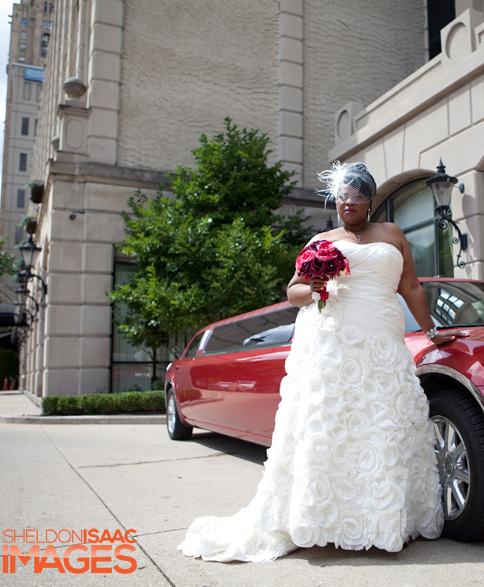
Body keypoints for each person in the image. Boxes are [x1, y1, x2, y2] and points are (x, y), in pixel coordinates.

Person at [178, 162, 465, 563]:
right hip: (333, 343)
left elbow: (412, 287)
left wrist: (432, 331)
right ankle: (326, 520)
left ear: (370, 200)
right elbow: (293, 291)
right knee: (334, 425)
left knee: (382, 421)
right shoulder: (321, 240)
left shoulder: (392, 235)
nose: (348, 203)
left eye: (357, 196)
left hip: (382, 339)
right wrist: (314, 287)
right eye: (342, 196)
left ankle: (383, 517)